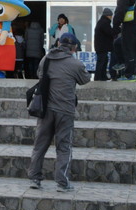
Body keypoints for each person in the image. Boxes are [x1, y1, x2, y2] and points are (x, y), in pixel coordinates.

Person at [28, 32, 90, 192]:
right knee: (64, 147)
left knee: (40, 145)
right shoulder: (75, 64)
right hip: (65, 110)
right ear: (74, 48)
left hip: (45, 109)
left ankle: (35, 178)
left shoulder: (45, 59)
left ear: (58, 44)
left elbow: (40, 76)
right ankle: (62, 182)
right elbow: (85, 80)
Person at [111, 0, 136, 82]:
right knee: (119, 43)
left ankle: (129, 75)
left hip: (129, 23)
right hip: (133, 23)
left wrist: (115, 24)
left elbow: (121, 8)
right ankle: (123, 64)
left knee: (128, 48)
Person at [93, 8, 114, 81]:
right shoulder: (104, 22)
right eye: (111, 15)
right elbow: (110, 33)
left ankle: (102, 76)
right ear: (108, 15)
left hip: (100, 46)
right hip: (102, 46)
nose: (111, 17)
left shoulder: (101, 22)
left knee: (104, 60)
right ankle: (98, 77)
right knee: (101, 62)